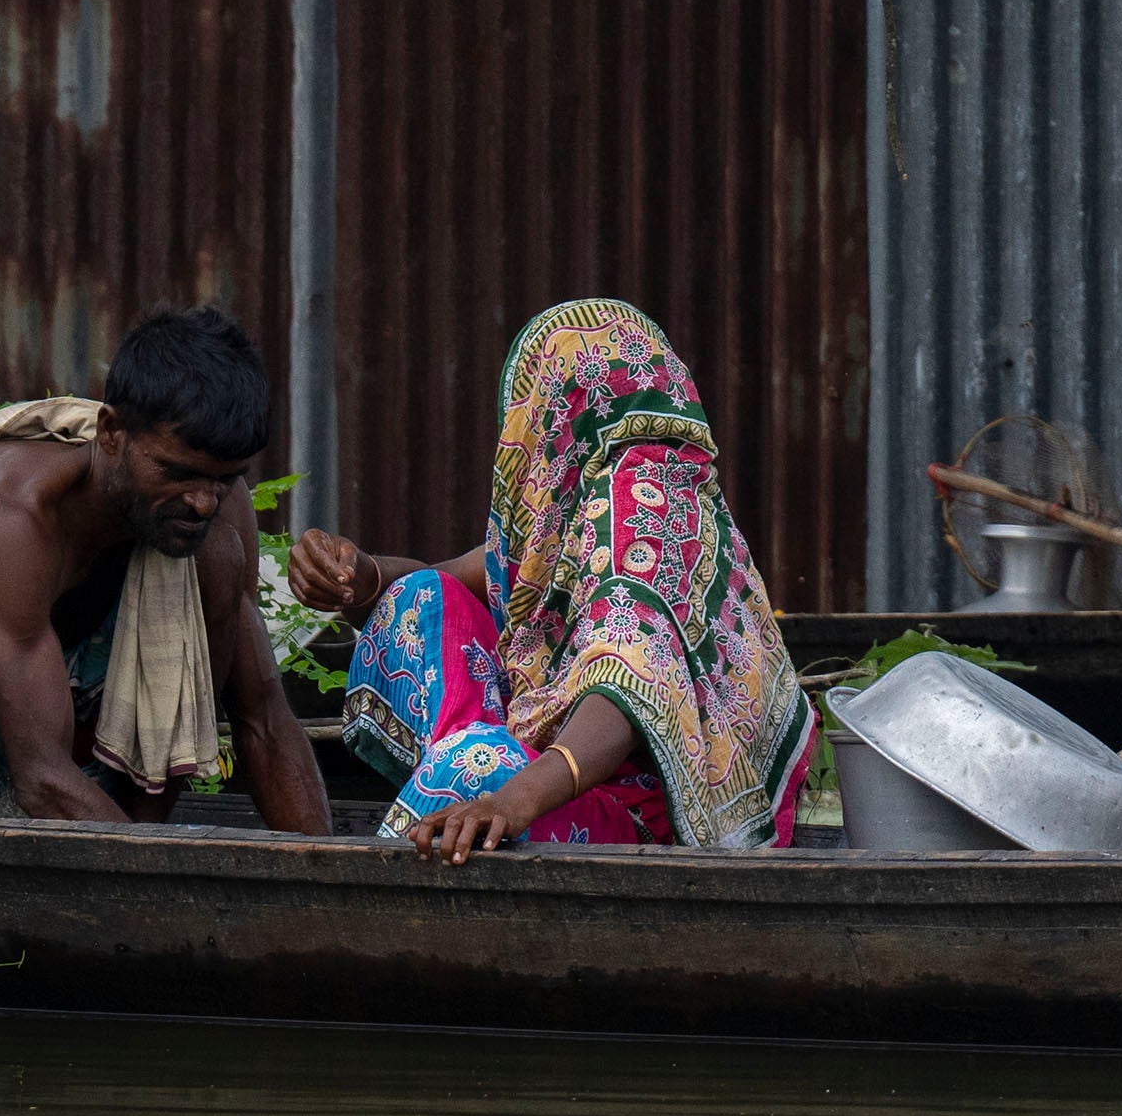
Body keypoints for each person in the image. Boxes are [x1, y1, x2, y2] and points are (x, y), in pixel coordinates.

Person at [283, 300, 817, 859]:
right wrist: (358, 576)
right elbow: (446, 582)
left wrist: (514, 798)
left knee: (473, 767)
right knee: (420, 600)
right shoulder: (579, 509)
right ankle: (460, 782)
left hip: (649, 826)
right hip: (546, 782)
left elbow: (629, 685)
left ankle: (436, 825)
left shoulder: (647, 519)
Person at [0, 301, 331, 832]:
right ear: (111, 432)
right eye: (177, 472)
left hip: (24, 743)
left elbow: (264, 718)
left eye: (224, 479)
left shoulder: (215, 502)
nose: (203, 501)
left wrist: (328, 870)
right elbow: (40, 777)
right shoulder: (14, 515)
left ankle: (142, 829)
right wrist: (155, 870)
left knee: (216, 554)